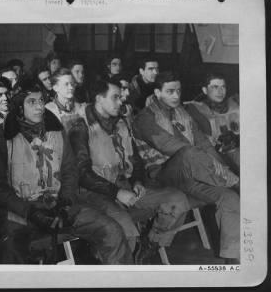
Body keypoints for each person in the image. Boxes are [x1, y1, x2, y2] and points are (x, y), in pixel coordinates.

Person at [0, 79, 133, 264]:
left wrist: (65, 204)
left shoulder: (56, 130)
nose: (39, 107)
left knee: (111, 231)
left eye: (41, 101)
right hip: (21, 212)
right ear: (18, 106)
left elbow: (70, 171)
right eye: (32, 102)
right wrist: (31, 213)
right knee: (13, 252)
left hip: (60, 206)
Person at [68, 78, 190, 262]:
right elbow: (81, 174)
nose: (121, 101)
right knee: (125, 230)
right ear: (99, 99)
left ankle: (150, 245)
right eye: (115, 97)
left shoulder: (121, 123)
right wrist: (117, 192)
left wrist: (137, 181)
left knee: (177, 200)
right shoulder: (80, 127)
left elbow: (136, 160)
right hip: (94, 192)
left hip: (123, 185)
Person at [132, 71, 240, 264]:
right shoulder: (145, 118)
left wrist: (223, 168)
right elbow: (170, 146)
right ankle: (236, 183)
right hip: (160, 175)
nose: (176, 96)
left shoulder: (183, 112)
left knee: (229, 198)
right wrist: (226, 175)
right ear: (157, 92)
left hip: (190, 174)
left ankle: (233, 262)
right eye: (170, 91)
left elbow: (204, 144)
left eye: (179, 91)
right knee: (189, 153)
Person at [185, 73, 239, 174]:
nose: (220, 91)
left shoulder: (236, 103)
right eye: (215, 87)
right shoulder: (195, 109)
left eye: (223, 87)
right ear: (205, 90)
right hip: (216, 157)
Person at [45, 68, 87, 133]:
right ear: (55, 88)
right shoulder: (49, 111)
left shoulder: (82, 108)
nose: (71, 87)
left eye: (72, 84)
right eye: (66, 84)